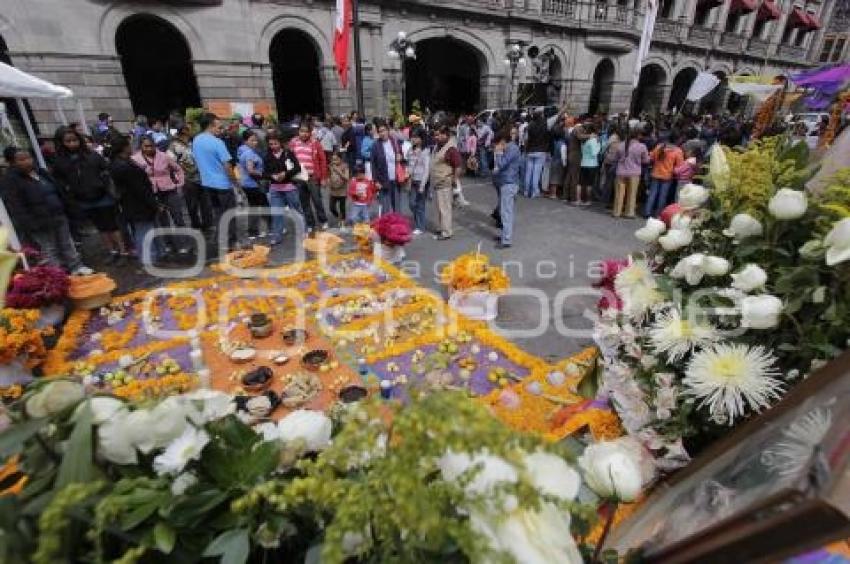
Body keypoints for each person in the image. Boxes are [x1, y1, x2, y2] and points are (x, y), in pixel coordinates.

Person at [0, 147, 93, 275]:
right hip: (39, 220)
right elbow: (15, 205)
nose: (27, 161)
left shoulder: (41, 172)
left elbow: (57, 189)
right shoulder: (11, 180)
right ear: (13, 163)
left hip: (58, 214)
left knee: (67, 242)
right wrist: (30, 223)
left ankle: (76, 266)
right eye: (22, 159)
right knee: (50, 249)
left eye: (29, 157)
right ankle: (59, 273)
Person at [52, 126, 127, 262]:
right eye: (68, 141)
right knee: (100, 227)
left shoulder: (91, 155)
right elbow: (60, 181)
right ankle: (111, 251)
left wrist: (103, 184)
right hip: (83, 199)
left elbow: (105, 170)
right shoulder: (60, 161)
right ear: (61, 143)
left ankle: (123, 252)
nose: (72, 144)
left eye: (74, 140)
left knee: (111, 225)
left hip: (102, 195)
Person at [109, 136, 163, 266]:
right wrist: (154, 204)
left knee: (142, 231)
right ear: (124, 147)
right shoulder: (124, 166)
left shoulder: (120, 163)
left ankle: (151, 256)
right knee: (144, 232)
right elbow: (140, 189)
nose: (131, 147)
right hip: (138, 204)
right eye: (128, 145)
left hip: (131, 203)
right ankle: (149, 259)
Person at [132, 135, 189, 255]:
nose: (149, 148)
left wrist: (179, 183)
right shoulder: (135, 159)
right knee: (163, 221)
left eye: (151, 146)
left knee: (178, 218)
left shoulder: (164, 156)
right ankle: (169, 244)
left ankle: (184, 244)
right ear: (141, 147)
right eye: (146, 146)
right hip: (153, 193)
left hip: (169, 190)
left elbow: (178, 169)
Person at [193, 112, 241, 248]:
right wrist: (235, 183)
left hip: (207, 183)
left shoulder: (196, 140)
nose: (220, 130)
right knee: (229, 213)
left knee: (218, 212)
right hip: (222, 184)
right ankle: (232, 241)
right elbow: (227, 165)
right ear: (210, 126)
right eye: (218, 127)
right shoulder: (217, 142)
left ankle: (220, 240)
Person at [168, 122, 210, 231]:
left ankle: (207, 224)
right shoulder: (174, 146)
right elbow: (170, 163)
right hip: (188, 180)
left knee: (205, 202)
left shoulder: (192, 142)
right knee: (192, 205)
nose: (193, 131)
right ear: (184, 131)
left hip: (201, 177)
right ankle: (196, 224)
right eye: (190, 129)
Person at [263, 131, 303, 244]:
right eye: (271, 144)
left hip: (290, 188)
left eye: (275, 143)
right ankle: (277, 236)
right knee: (276, 213)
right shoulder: (267, 156)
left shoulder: (288, 153)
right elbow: (265, 173)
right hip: (275, 189)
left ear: (280, 143)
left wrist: (285, 174)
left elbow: (297, 168)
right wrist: (272, 176)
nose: (273, 146)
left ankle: (303, 232)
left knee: (296, 211)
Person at [290, 124, 329, 231]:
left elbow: (323, 160)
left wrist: (324, 177)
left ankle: (323, 220)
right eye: (302, 131)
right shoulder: (293, 143)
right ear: (298, 132)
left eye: (306, 131)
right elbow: (289, 158)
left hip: (313, 177)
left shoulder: (315, 143)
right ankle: (310, 223)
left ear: (310, 132)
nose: (304, 134)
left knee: (317, 200)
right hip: (299, 177)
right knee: (304, 202)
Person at [430, 125, 462, 241]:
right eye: (435, 135)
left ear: (446, 135)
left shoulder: (451, 148)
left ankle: (446, 232)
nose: (436, 137)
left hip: (445, 182)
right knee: (439, 208)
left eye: (439, 135)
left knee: (445, 208)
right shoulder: (437, 146)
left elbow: (458, 166)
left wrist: (454, 180)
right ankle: (441, 228)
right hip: (438, 182)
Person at [492, 130, 522, 249]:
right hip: (506, 182)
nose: (497, 146)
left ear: (502, 141)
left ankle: (506, 240)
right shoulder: (510, 148)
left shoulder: (512, 149)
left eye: (498, 143)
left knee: (506, 212)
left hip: (509, 183)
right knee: (504, 211)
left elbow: (501, 164)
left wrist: (498, 152)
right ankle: (505, 235)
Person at [237, 130, 269, 238]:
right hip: (254, 184)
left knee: (253, 207)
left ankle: (252, 232)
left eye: (256, 140)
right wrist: (263, 174)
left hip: (246, 184)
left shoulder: (242, 150)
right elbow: (250, 170)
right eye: (252, 140)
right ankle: (273, 228)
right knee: (264, 206)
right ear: (245, 141)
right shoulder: (249, 153)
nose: (255, 143)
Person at [612, 128, 649, 218]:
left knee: (619, 193)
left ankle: (617, 212)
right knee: (632, 194)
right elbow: (646, 160)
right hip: (634, 172)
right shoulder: (642, 146)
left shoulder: (620, 145)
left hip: (620, 172)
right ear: (638, 135)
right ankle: (629, 213)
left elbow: (615, 158)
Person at [644, 136, 684, 217]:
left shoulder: (659, 147)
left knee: (652, 194)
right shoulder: (678, 151)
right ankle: (658, 214)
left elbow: (651, 158)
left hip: (655, 173)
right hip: (667, 176)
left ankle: (647, 212)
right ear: (678, 140)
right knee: (663, 196)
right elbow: (680, 165)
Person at [370, 123, 403, 214]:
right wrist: (376, 181)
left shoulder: (395, 142)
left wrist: (401, 157)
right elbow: (373, 164)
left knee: (397, 207)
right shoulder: (375, 145)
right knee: (385, 207)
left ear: (388, 131)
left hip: (395, 179)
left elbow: (402, 156)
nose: (382, 133)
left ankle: (397, 226)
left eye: (384, 130)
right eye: (380, 131)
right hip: (383, 180)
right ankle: (386, 226)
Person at [407, 129, 431, 235]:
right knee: (412, 203)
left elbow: (426, 169)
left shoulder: (426, 151)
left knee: (420, 205)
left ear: (421, 139)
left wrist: (423, 185)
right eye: (412, 137)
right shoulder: (410, 150)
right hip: (413, 181)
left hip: (422, 181)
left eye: (416, 137)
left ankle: (420, 226)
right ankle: (418, 222)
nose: (413, 139)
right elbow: (409, 165)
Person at [524, 112, 549, 198]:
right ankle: (534, 191)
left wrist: (526, 150)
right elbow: (557, 117)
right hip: (540, 151)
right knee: (536, 173)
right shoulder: (545, 124)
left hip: (530, 151)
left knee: (528, 172)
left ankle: (526, 191)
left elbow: (526, 140)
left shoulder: (529, 126)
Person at [565, 119, 590, 202]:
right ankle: (573, 197)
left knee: (569, 176)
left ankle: (566, 196)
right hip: (575, 155)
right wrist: (590, 136)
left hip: (571, 154)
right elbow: (580, 137)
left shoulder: (576, 129)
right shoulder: (578, 128)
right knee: (574, 177)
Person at [576, 125, 600, 206]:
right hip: (592, 164)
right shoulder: (593, 140)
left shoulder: (584, 141)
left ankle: (578, 199)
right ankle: (588, 200)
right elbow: (594, 153)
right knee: (589, 184)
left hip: (583, 163)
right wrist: (599, 145)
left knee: (580, 183)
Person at [327, 152, 350, 227]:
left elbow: (347, 178)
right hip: (333, 190)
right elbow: (328, 175)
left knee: (342, 207)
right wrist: (328, 180)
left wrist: (338, 171)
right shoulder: (331, 166)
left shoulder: (345, 166)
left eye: (336, 160)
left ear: (341, 159)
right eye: (333, 160)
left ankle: (342, 221)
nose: (334, 161)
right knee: (331, 207)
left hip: (342, 191)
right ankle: (338, 217)